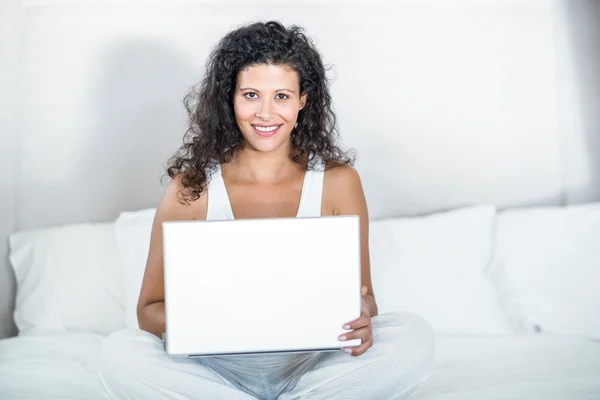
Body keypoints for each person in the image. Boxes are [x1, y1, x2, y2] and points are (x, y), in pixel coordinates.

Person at [98, 20, 434, 400]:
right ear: (231, 98)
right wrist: (216, 322)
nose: (265, 113)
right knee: (120, 353)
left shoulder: (339, 182)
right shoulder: (191, 189)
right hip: (213, 369)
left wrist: (361, 314)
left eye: (282, 96)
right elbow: (148, 311)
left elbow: (367, 298)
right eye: (252, 95)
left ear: (303, 100)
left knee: (412, 335)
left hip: (313, 365)